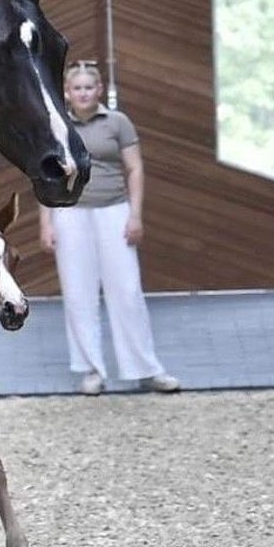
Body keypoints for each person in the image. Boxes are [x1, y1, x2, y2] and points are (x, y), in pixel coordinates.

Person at [38, 61, 179, 396]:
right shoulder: (56, 125)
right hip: (70, 214)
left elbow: (135, 169)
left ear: (99, 91)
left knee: (127, 291)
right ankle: (91, 370)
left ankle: (146, 369)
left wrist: (136, 215)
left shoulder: (118, 122)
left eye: (89, 87)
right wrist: (46, 222)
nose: (84, 93)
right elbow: (47, 175)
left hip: (115, 211)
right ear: (68, 93)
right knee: (78, 294)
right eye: (77, 88)